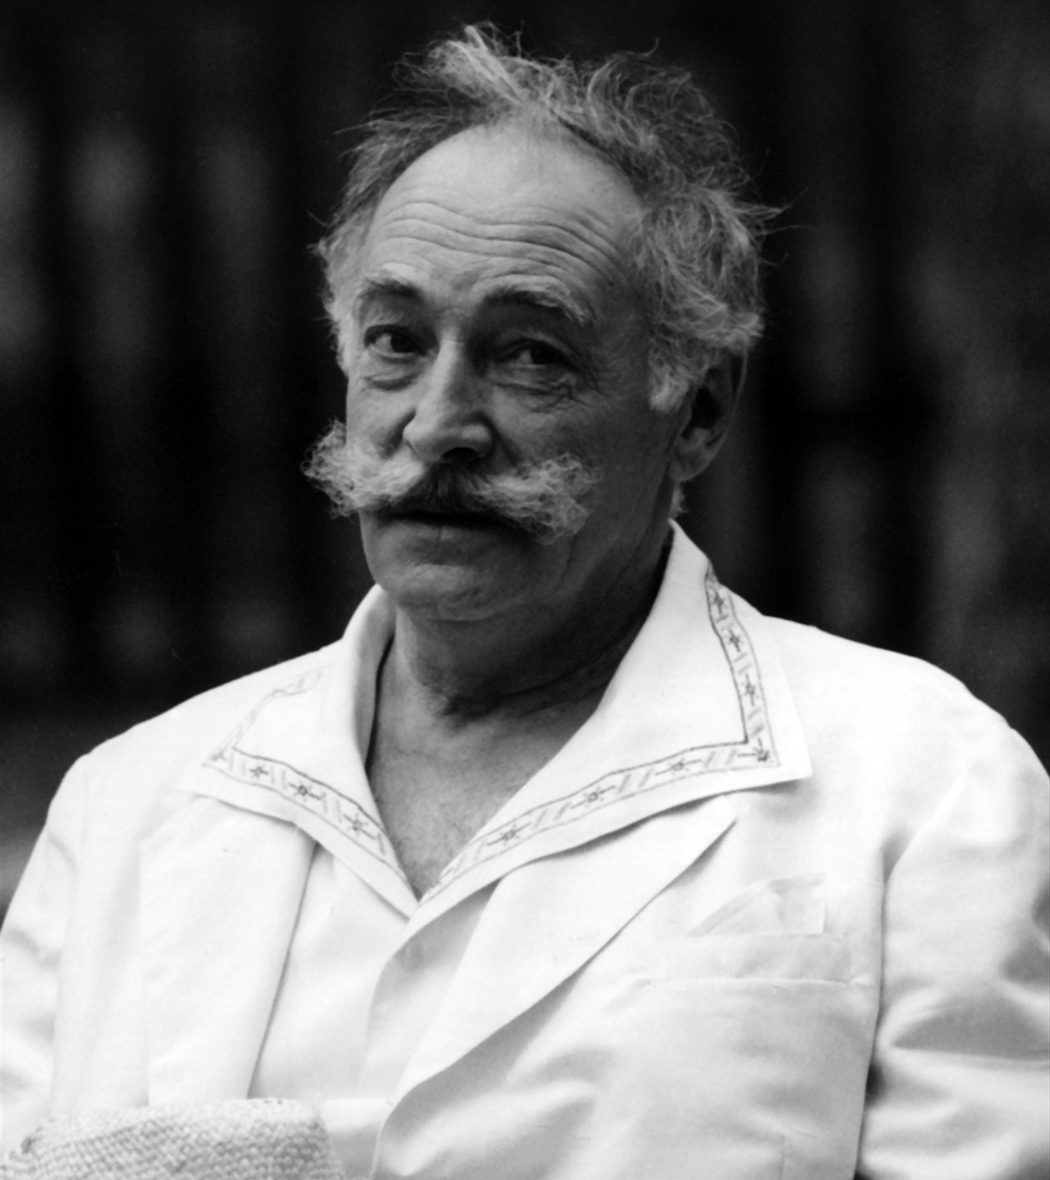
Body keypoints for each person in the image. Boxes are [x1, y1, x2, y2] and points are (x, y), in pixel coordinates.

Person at [2, 25, 1047, 1180]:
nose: (438, 424)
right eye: (396, 341)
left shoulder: (923, 784)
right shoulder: (126, 809)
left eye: (532, 355)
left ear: (698, 411)